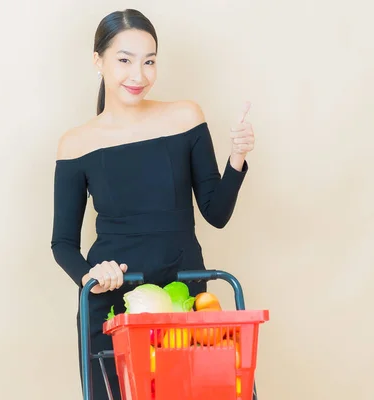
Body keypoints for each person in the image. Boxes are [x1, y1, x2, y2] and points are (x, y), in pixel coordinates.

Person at [50, 8, 255, 400]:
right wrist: (92, 275)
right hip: (114, 306)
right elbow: (62, 243)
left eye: (149, 62)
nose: (138, 75)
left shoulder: (184, 117)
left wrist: (236, 160)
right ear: (99, 61)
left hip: (187, 297)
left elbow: (216, 213)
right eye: (124, 60)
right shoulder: (76, 143)